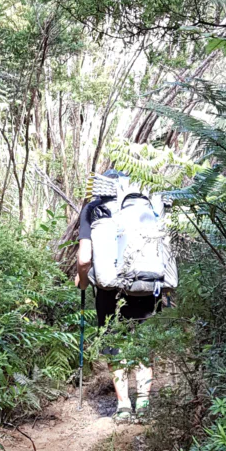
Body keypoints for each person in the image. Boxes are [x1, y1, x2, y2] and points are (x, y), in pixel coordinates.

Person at [74, 170, 163, 423]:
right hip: (144, 284)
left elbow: (84, 258)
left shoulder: (95, 207)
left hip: (108, 291)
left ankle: (124, 406)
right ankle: (144, 403)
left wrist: (82, 280)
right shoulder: (146, 205)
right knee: (144, 343)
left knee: (115, 346)